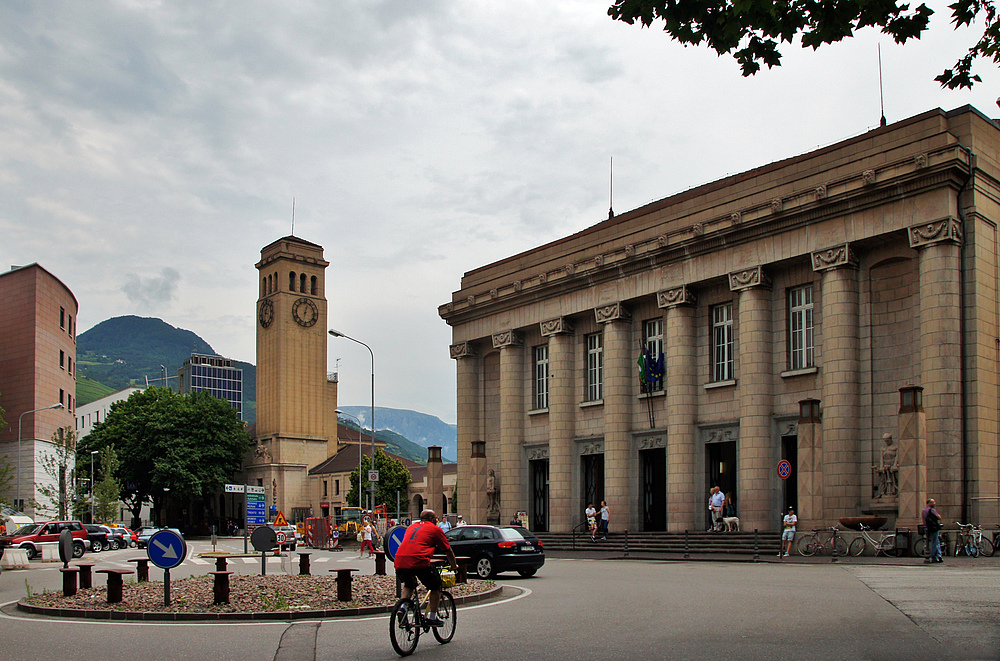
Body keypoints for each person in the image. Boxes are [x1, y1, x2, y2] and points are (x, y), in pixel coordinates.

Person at [394, 509, 458, 627]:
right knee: (435, 586)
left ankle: (402, 607)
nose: (437, 521)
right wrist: (454, 566)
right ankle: (432, 617)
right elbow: (448, 551)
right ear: (431, 519)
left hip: (400, 560)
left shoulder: (411, 527)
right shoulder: (435, 529)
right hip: (418, 561)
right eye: (436, 519)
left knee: (409, 585)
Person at [921, 498, 943, 563]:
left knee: (935, 541)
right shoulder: (932, 510)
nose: (935, 503)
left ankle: (938, 555)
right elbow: (938, 517)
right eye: (933, 502)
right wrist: (939, 516)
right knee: (935, 542)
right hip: (933, 527)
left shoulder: (924, 510)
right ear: (930, 503)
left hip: (927, 527)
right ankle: (934, 556)